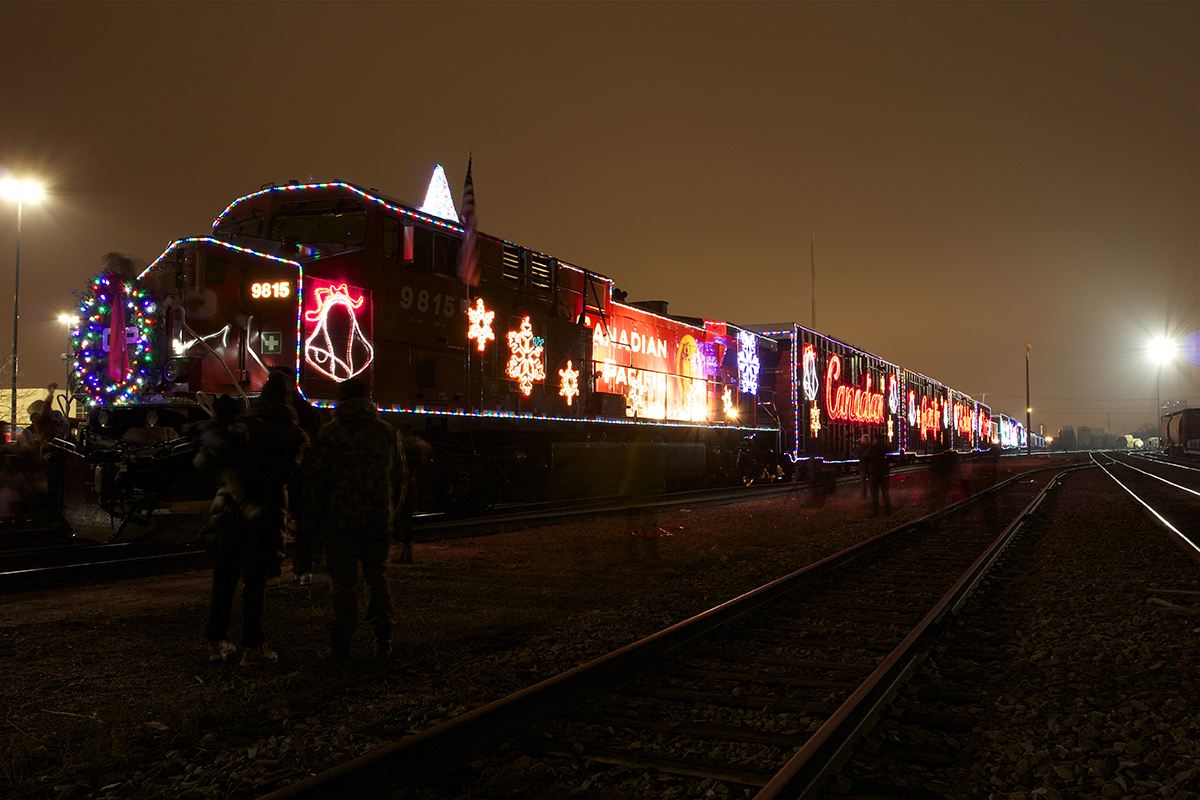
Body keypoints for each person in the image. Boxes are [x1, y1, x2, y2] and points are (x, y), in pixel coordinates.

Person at [202, 375, 307, 667]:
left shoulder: (240, 426)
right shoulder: (294, 435)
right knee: (255, 583)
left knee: (223, 579)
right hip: (265, 514)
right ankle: (252, 647)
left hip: (229, 511)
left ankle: (216, 641)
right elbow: (289, 476)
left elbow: (215, 460)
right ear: (287, 399)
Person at [305, 378, 404, 664]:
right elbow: (399, 477)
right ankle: (382, 641)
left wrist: (314, 520)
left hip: (340, 520)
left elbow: (317, 482)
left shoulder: (329, 434)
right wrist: (391, 512)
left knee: (343, 584)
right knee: (377, 577)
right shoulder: (386, 432)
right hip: (376, 517)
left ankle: (341, 647)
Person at [867, 435, 891, 517]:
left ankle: (875, 512)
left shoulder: (872, 448)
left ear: (875, 440)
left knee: (874, 494)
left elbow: (865, 457)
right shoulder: (886, 448)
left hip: (874, 472)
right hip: (884, 472)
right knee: (885, 492)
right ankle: (888, 511)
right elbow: (891, 459)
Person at [855, 434, 871, 500]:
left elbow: (856, 451)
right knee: (872, 482)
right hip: (870, 466)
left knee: (863, 482)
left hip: (862, 466)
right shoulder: (870, 447)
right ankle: (873, 495)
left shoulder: (860, 448)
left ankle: (863, 496)